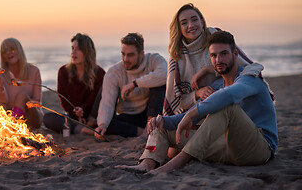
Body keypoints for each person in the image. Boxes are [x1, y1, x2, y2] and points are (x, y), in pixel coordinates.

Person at [116, 31, 278, 174]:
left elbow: (230, 95)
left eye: (224, 54)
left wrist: (193, 113)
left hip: (259, 149)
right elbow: (189, 115)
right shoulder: (217, 86)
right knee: (161, 126)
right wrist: (162, 120)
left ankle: (173, 165)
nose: (218, 59)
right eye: (214, 55)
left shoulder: (250, 77)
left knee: (227, 107)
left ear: (235, 54)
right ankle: (147, 164)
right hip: (228, 146)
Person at [164, 3, 250, 116]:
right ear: (179, 28)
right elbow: (177, 102)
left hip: (229, 104)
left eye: (194, 20)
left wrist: (207, 70)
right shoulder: (176, 56)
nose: (190, 25)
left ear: (202, 22)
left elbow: (242, 69)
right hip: (196, 113)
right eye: (184, 23)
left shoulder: (215, 37)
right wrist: (197, 93)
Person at [95, 33, 167, 139]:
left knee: (158, 84)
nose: (125, 59)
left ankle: (150, 127)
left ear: (141, 54)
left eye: (130, 55)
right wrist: (102, 124)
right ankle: (145, 132)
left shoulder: (154, 60)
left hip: (151, 114)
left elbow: (164, 75)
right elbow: (107, 102)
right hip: (129, 117)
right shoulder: (114, 72)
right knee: (107, 124)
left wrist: (134, 84)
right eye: (123, 54)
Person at [43, 33, 105, 134]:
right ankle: (81, 129)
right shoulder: (63, 71)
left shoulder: (99, 73)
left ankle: (83, 128)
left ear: (88, 52)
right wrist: (76, 114)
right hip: (72, 117)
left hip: (93, 117)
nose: (73, 52)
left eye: (78, 49)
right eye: (72, 48)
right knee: (47, 118)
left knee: (110, 123)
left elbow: (96, 99)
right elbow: (63, 98)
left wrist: (84, 112)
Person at [0, 38, 42, 129]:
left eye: (12, 49)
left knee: (22, 96)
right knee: (1, 106)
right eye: (4, 51)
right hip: (9, 115)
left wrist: (22, 104)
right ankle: (9, 126)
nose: (8, 53)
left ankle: (13, 126)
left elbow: (37, 100)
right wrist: (0, 89)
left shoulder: (33, 71)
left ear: (19, 51)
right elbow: (2, 103)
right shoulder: (0, 75)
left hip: (31, 116)